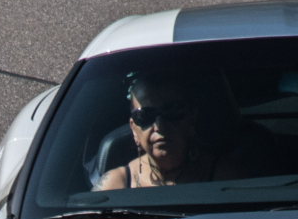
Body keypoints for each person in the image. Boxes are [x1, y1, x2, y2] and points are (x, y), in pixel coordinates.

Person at [94, 72, 259, 188]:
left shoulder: (226, 179)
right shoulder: (117, 185)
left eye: (172, 111)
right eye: (146, 115)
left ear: (192, 119)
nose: (159, 125)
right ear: (133, 129)